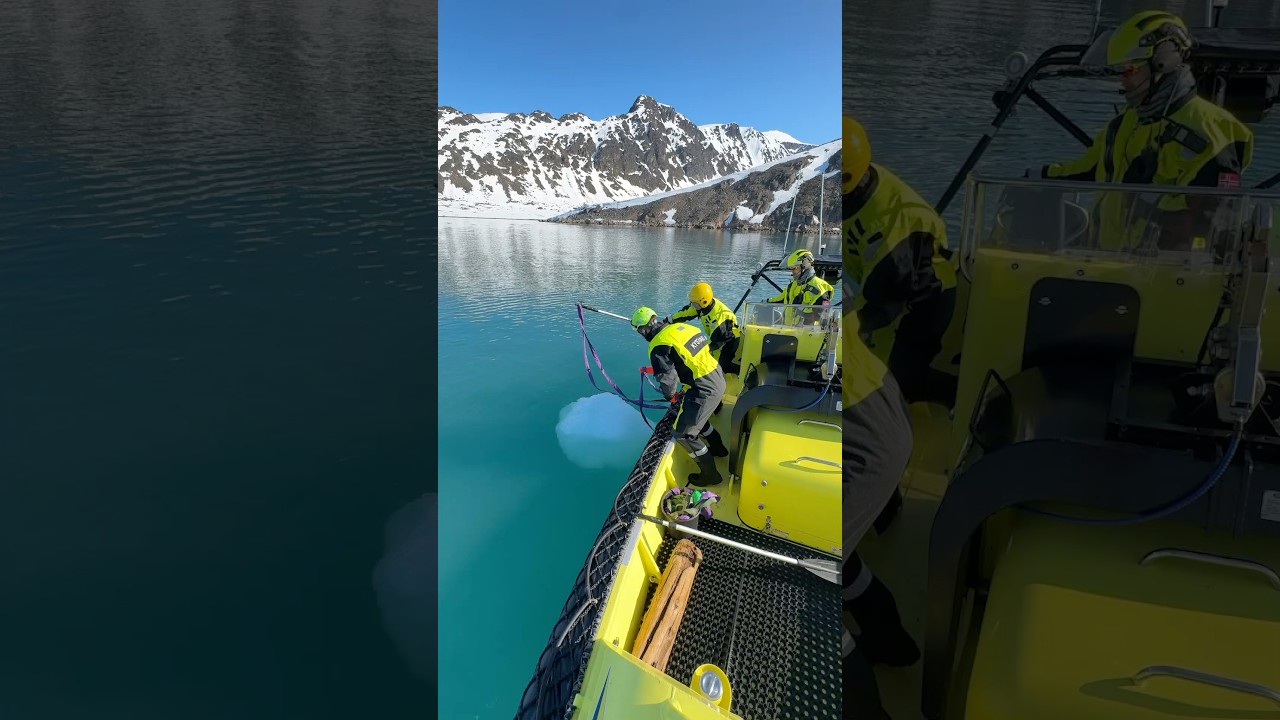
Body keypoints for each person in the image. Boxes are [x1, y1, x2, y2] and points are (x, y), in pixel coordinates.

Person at [1035, 10, 1254, 251]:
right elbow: (1094, 168)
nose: (1123, 80)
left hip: (1168, 277)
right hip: (1102, 265)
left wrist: (1143, 201)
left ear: (1163, 62)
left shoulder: (1214, 131)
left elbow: (1214, 224)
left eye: (1130, 70)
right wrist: (1038, 177)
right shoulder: (1126, 122)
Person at [841, 114, 921, 720]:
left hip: (870, 441)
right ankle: (894, 646)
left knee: (811, 579)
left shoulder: (896, 227)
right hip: (883, 415)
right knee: (841, 560)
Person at [844, 115, 958, 408]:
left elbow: (886, 300)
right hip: (884, 286)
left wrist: (849, 328)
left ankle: (969, 401)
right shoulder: (857, 182)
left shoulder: (891, 223)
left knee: (905, 377)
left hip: (926, 296)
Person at [632, 307, 728, 486]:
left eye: (639, 331)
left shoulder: (658, 346)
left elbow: (668, 381)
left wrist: (671, 397)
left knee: (683, 434)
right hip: (717, 376)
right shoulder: (683, 328)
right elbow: (690, 356)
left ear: (644, 330)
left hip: (703, 389)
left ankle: (711, 475)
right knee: (694, 416)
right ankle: (719, 448)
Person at [668, 282, 742, 375]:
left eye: (695, 304)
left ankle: (744, 372)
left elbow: (716, 341)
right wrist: (670, 319)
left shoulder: (720, 317)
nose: (693, 306)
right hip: (717, 336)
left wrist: (700, 354)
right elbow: (686, 313)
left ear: (704, 302)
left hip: (729, 339)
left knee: (723, 365)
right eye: (693, 303)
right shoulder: (702, 306)